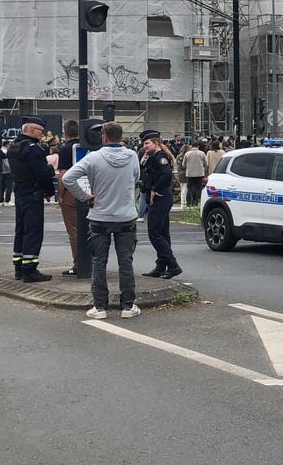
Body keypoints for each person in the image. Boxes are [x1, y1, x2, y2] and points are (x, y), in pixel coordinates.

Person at [62, 122, 142, 320]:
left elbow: (68, 178)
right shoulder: (132, 156)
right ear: (121, 137)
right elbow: (136, 178)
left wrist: (85, 196)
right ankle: (127, 306)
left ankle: (99, 307)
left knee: (99, 261)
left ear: (104, 137)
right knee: (126, 262)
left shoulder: (94, 157)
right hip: (125, 216)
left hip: (99, 216)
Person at [7, 116, 55, 282]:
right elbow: (41, 174)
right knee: (33, 231)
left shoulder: (14, 147)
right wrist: (49, 190)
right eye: (41, 131)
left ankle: (18, 267)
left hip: (20, 192)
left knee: (20, 230)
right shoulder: (33, 149)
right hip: (33, 193)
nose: (43, 134)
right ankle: (30, 270)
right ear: (32, 130)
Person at [139, 130, 181, 279]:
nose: (144, 146)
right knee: (162, 232)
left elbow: (166, 174)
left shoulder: (160, 157)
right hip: (160, 197)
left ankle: (173, 265)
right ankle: (161, 266)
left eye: (147, 143)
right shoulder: (152, 157)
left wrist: (155, 189)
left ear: (156, 143)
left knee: (155, 233)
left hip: (160, 197)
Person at [57, 120, 81, 276]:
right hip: (89, 190)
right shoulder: (86, 146)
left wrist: (60, 195)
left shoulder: (66, 149)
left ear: (65, 133)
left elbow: (63, 175)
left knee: (73, 230)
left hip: (71, 192)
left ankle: (78, 263)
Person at [182, 142, 208, 208]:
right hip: (200, 174)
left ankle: (189, 204)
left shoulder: (187, 154)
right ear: (198, 146)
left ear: (191, 146)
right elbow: (206, 164)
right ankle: (197, 203)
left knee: (189, 189)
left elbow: (183, 164)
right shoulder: (202, 153)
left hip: (189, 174)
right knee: (199, 188)